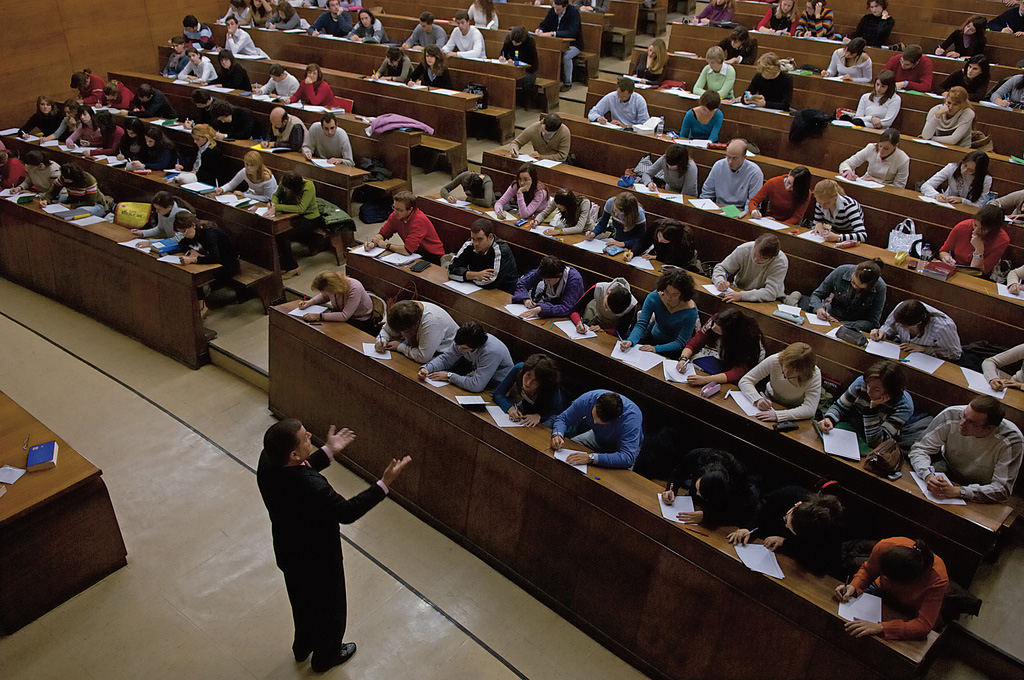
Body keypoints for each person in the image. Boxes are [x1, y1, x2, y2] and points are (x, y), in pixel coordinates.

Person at [257, 418, 411, 673]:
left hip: (289, 553)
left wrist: (328, 451)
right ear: (294, 453)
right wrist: (383, 484)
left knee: (301, 603)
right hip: (319, 561)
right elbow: (347, 512)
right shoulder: (313, 487)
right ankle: (325, 656)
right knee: (330, 611)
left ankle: (303, 646)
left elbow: (296, 468)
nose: (311, 437)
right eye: (306, 437)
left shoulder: (268, 461)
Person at [908, 397, 1022, 503]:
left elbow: (1002, 489)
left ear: (989, 428)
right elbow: (919, 449)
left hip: (983, 486)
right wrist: (928, 475)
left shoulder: (1011, 439)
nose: (962, 423)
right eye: (963, 415)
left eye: (971, 422)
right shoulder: (951, 414)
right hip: (948, 468)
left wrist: (960, 491)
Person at [835, 537, 948, 640]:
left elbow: (923, 625)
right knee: (846, 625)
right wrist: (854, 586)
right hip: (880, 590)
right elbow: (868, 570)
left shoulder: (938, 577)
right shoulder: (885, 546)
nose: (884, 578)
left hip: (911, 610)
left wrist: (882, 627)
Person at [728, 483, 847, 576]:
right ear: (796, 505)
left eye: (791, 530)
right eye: (786, 520)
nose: (785, 526)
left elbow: (818, 559)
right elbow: (763, 510)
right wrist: (747, 528)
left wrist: (786, 543)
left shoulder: (830, 530)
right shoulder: (789, 493)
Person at [819, 359, 920, 448]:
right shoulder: (861, 383)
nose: (869, 391)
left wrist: (872, 410)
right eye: (868, 385)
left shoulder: (904, 406)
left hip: (873, 439)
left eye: (876, 389)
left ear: (890, 392)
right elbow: (840, 406)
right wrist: (829, 418)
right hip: (850, 426)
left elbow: (875, 442)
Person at [661, 448, 759, 526]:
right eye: (698, 488)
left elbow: (741, 512)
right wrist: (671, 490)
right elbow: (677, 473)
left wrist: (708, 517)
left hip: (717, 511)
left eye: (700, 493)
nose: (697, 493)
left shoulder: (738, 475)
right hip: (690, 504)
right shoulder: (699, 456)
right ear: (702, 475)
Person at [551, 391, 643, 469]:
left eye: (601, 421)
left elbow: (627, 457)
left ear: (617, 418)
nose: (594, 421)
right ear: (596, 401)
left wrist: (591, 458)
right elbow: (563, 419)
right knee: (567, 452)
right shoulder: (588, 399)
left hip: (621, 447)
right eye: (594, 416)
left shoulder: (631, 420)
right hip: (596, 437)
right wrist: (557, 434)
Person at [622, 268, 699, 358]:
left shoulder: (690, 311)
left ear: (683, 294)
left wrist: (656, 349)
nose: (668, 298)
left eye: (674, 295)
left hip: (673, 347)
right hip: (654, 335)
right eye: (666, 292)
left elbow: (680, 342)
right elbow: (641, 324)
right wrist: (631, 341)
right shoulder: (654, 297)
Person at [173, 212, 240, 314]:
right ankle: (195, 302)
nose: (184, 235)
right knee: (190, 271)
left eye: (185, 231)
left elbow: (215, 257)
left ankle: (202, 305)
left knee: (196, 275)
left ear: (192, 225)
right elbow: (182, 244)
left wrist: (194, 259)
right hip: (215, 262)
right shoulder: (195, 231)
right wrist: (192, 251)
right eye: (181, 232)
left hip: (228, 265)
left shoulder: (210, 233)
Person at [420, 321, 514, 392]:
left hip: (497, 386)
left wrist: (449, 376)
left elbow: (477, 385)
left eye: (464, 348)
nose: (459, 349)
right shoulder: (463, 341)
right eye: (458, 346)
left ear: (476, 346)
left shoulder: (491, 351)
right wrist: (427, 368)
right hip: (479, 378)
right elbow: (446, 359)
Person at [677, 309, 764, 386]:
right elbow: (696, 341)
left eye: (718, 328)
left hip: (745, 370)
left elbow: (738, 372)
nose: (713, 327)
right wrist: (683, 359)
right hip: (724, 358)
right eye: (715, 323)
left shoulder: (748, 340)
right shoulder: (716, 320)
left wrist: (706, 380)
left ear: (730, 332)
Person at [739, 342, 821, 422]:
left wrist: (778, 415)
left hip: (794, 411)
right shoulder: (775, 360)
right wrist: (757, 399)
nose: (786, 373)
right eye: (784, 370)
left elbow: (809, 409)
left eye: (793, 371)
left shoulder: (814, 375)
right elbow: (746, 380)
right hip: (770, 401)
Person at [268, 170, 328, 276]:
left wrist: (277, 207)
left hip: (309, 218)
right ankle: (282, 262)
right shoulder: (285, 181)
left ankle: (293, 267)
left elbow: (301, 209)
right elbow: (276, 195)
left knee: (284, 235)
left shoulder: (308, 186)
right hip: (290, 215)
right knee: (275, 230)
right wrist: (273, 204)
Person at [804, 259, 886, 331]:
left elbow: (872, 322)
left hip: (854, 327)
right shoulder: (841, 271)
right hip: (829, 318)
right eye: (853, 282)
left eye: (859, 288)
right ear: (855, 270)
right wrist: (819, 309)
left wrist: (843, 324)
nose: (854, 286)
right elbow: (817, 295)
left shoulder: (880, 287)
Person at [368, 192, 446, 265]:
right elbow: (383, 233)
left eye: (399, 210)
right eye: (394, 208)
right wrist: (373, 242)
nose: (395, 212)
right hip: (414, 254)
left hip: (432, 257)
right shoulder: (395, 216)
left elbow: (407, 250)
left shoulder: (419, 220)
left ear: (410, 209)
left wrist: (386, 245)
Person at [871, 300, 962, 361]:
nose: (899, 326)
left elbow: (955, 353)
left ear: (916, 324)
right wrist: (882, 332)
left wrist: (925, 349)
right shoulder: (901, 307)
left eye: (903, 326)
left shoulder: (943, 327)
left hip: (927, 361)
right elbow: (889, 325)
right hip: (902, 354)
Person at [493, 354, 568, 427]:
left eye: (535, 380)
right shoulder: (519, 369)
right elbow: (498, 394)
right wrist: (510, 408)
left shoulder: (552, 386)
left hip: (545, 415)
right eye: (528, 375)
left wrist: (539, 416)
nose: (528, 383)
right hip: (525, 408)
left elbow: (558, 415)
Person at [711, 233, 788, 303]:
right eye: (755, 254)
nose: (756, 260)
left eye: (763, 258)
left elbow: (770, 292)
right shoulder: (744, 249)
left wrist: (742, 296)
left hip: (766, 300)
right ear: (755, 245)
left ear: (772, 258)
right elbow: (722, 268)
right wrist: (719, 281)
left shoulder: (780, 262)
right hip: (739, 290)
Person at [447, 218, 519, 292]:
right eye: (473, 239)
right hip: (474, 288)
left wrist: (465, 276)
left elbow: (492, 282)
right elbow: (450, 270)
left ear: (490, 237)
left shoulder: (501, 250)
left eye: (479, 239)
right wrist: (475, 275)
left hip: (503, 291)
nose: (475, 243)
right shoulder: (469, 244)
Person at [294, 271, 377, 333]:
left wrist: (319, 316)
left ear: (335, 289)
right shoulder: (334, 287)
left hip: (359, 320)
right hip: (340, 313)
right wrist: (310, 302)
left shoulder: (355, 288)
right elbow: (324, 296)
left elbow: (345, 316)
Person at [938, 204, 1008, 277]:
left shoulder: (1002, 240)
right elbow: (943, 251)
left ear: (993, 229)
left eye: (983, 229)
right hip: (954, 269)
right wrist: (947, 258)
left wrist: (979, 249)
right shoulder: (962, 226)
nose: (976, 231)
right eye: (975, 225)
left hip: (977, 278)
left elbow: (980, 272)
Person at [375, 300, 457, 362]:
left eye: (404, 331)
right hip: (418, 347)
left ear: (414, 326)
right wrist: (381, 340)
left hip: (445, 355)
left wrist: (399, 347)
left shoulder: (431, 323)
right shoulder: (402, 309)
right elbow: (387, 330)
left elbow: (423, 357)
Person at [512, 256, 585, 319]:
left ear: (559, 276)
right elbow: (522, 283)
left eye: (549, 280)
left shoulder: (575, 280)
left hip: (568, 317)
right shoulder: (545, 271)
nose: (546, 283)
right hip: (548, 308)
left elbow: (567, 308)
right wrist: (525, 299)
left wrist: (542, 309)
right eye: (544, 279)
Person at [700, 139, 764, 210]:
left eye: (735, 159)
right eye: (728, 157)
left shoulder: (755, 173)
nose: (730, 162)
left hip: (740, 212)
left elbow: (752, 202)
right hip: (718, 208)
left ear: (744, 157)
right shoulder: (719, 165)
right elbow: (707, 192)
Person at [838, 128, 910, 188]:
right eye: (880, 146)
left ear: (896, 146)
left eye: (886, 149)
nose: (881, 151)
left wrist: (876, 182)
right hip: (865, 183)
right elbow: (846, 163)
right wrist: (848, 173)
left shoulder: (903, 159)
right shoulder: (871, 148)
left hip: (886, 189)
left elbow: (899, 187)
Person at [536, 0, 583, 91]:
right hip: (555, 43)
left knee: (567, 57)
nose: (555, 11)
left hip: (573, 44)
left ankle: (567, 83)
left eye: (558, 10)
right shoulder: (553, 10)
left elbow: (572, 32)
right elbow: (544, 24)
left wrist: (553, 34)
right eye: (554, 8)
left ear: (565, 7)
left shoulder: (573, 13)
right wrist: (540, 29)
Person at [38, 163, 114, 217]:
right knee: (55, 201)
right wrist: (46, 200)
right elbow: (53, 191)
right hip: (72, 201)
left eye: (67, 180)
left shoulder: (89, 180)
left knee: (79, 211)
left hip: (94, 205)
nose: (64, 181)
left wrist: (70, 206)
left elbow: (90, 201)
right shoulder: (63, 178)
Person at [570, 277, 638, 337]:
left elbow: (622, 330)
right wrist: (578, 322)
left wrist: (604, 330)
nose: (606, 310)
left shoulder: (632, 305)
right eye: (605, 306)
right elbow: (574, 310)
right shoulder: (599, 288)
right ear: (608, 293)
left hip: (614, 331)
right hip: (597, 321)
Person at [922, 151, 992, 207]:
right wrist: (936, 195)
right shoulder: (952, 167)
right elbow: (925, 186)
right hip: (945, 204)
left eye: (970, 170)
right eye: (964, 165)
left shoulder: (986, 179)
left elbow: (979, 205)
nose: (964, 171)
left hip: (965, 210)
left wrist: (962, 201)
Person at [626, 219, 700, 270]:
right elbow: (644, 241)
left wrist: (657, 257)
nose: (659, 240)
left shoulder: (684, 242)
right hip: (660, 255)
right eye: (659, 236)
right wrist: (633, 252)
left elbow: (676, 261)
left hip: (679, 262)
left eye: (664, 240)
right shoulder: (656, 225)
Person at [748, 166, 812, 224]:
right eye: (788, 182)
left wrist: (779, 225)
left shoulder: (806, 193)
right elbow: (754, 201)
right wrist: (754, 210)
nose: (788, 188)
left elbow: (796, 217)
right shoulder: (773, 182)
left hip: (790, 224)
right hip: (770, 219)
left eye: (794, 187)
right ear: (789, 173)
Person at [214, 150, 278, 202]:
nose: (248, 168)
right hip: (254, 197)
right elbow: (231, 184)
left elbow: (267, 198)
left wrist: (245, 195)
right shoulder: (244, 171)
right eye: (247, 164)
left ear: (258, 166)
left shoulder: (266, 177)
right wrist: (222, 189)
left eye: (252, 165)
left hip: (271, 201)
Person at [532, 189, 596, 236]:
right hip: (569, 229)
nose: (558, 210)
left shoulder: (584, 203)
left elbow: (579, 228)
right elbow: (544, 213)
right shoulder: (557, 200)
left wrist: (558, 231)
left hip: (585, 232)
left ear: (567, 206)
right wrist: (537, 221)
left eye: (560, 208)